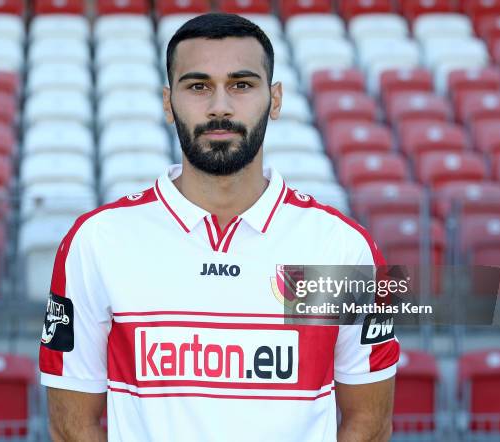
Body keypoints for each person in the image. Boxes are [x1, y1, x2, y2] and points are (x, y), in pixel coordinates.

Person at [39, 13, 400, 441]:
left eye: (242, 85)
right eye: (198, 86)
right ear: (167, 102)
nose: (220, 106)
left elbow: (370, 423)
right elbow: (71, 425)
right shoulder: (98, 242)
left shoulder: (340, 249)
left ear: (276, 99)